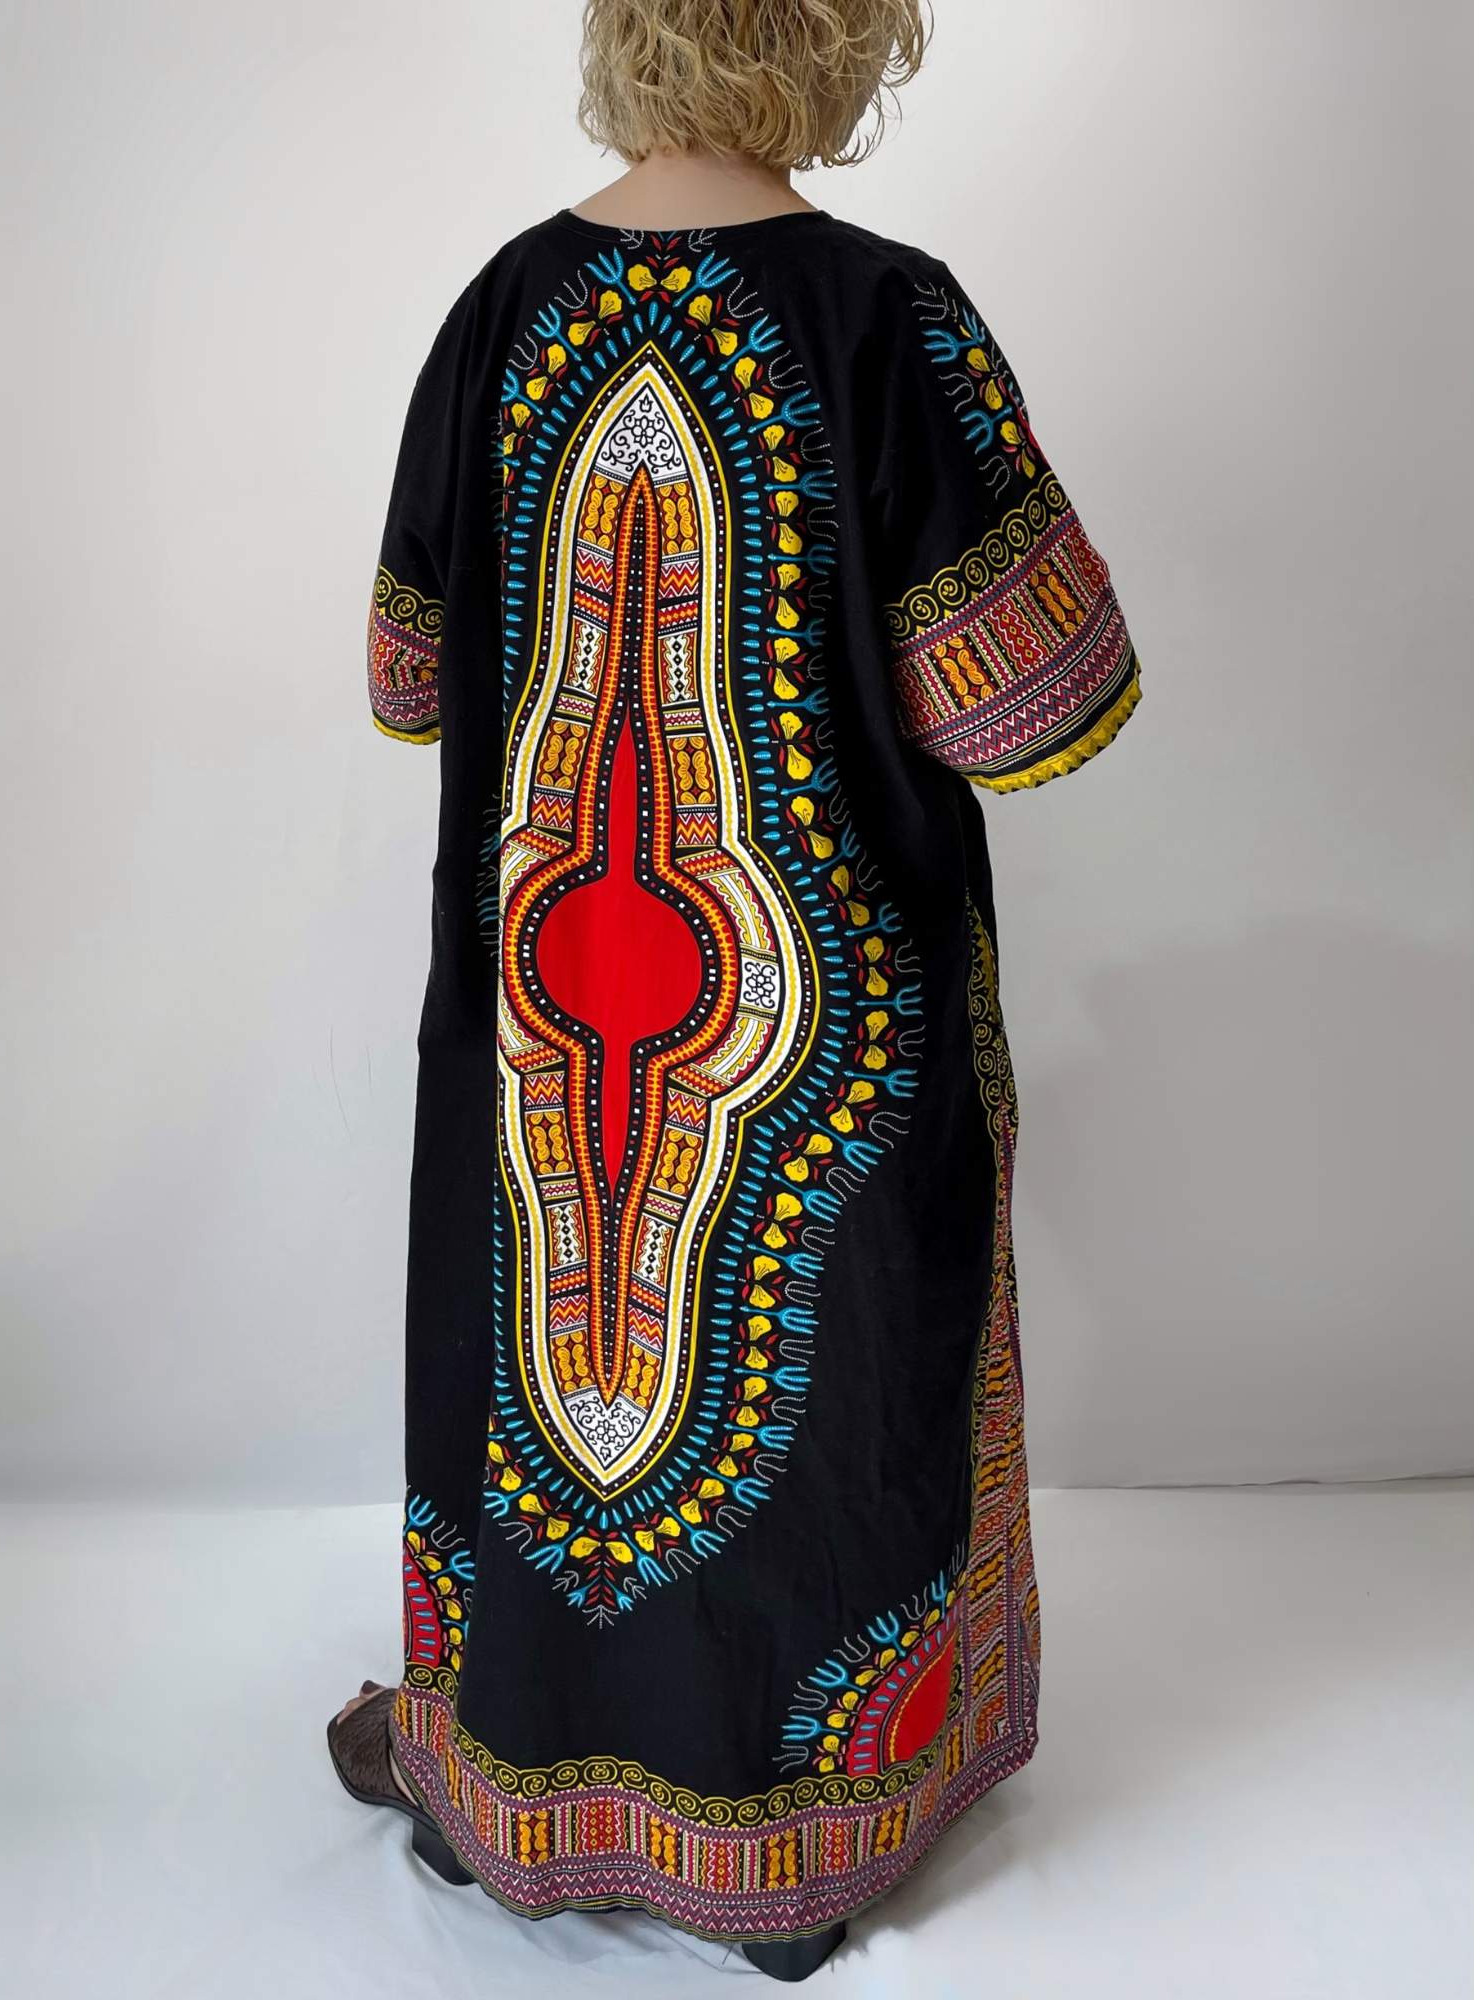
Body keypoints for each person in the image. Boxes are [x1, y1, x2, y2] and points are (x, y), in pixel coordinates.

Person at [327, 0, 1141, 1979]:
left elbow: (407, 678)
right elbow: (1045, 704)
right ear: (844, 43)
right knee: (828, 1403)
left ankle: (502, 1783)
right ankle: (797, 1848)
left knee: (540, 1402)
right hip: (810, 1053)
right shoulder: (886, 322)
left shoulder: (498, 311)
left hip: (543, 1044)